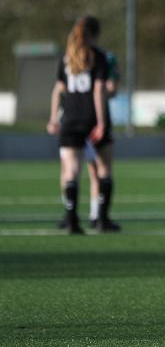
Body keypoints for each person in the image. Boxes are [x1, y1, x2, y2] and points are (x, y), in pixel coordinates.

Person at [47, 16, 119, 234]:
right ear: (94, 35)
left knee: (71, 170)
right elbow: (99, 90)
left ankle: (71, 220)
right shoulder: (99, 56)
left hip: (69, 120)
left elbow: (58, 89)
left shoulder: (66, 58)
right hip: (90, 119)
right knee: (103, 168)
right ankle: (101, 219)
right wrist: (101, 123)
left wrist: (53, 118)